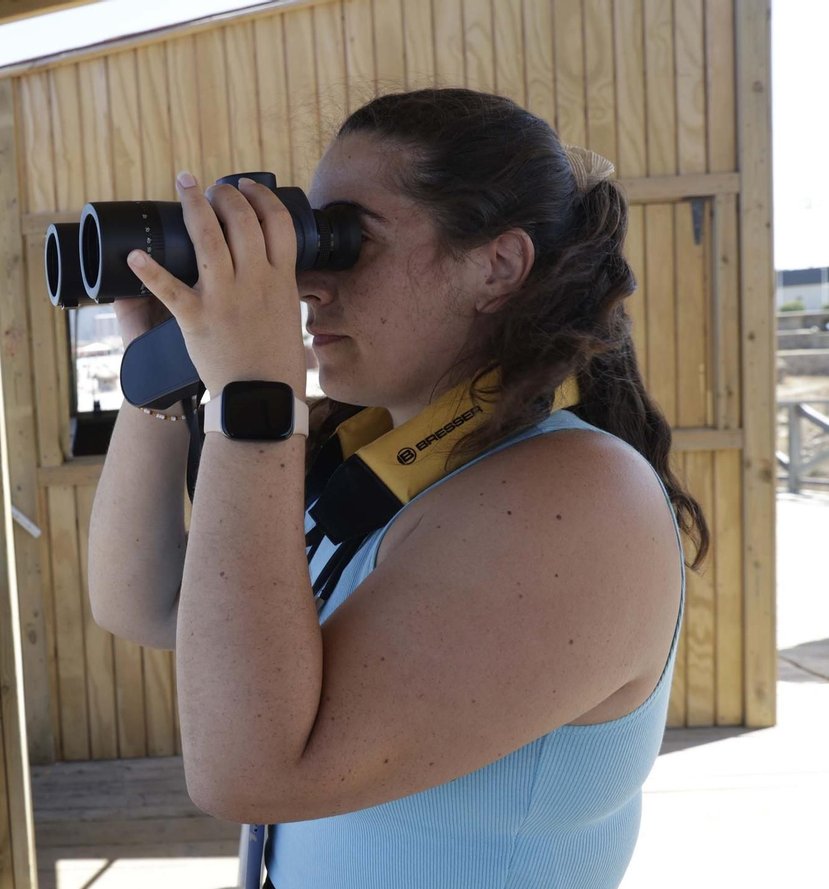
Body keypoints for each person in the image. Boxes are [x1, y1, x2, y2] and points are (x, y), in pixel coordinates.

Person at [89, 91, 699, 889]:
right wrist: (163, 370)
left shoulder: (581, 497)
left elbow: (249, 769)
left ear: (497, 266)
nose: (309, 284)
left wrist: (254, 391)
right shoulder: (379, 455)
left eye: (345, 241)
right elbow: (146, 602)